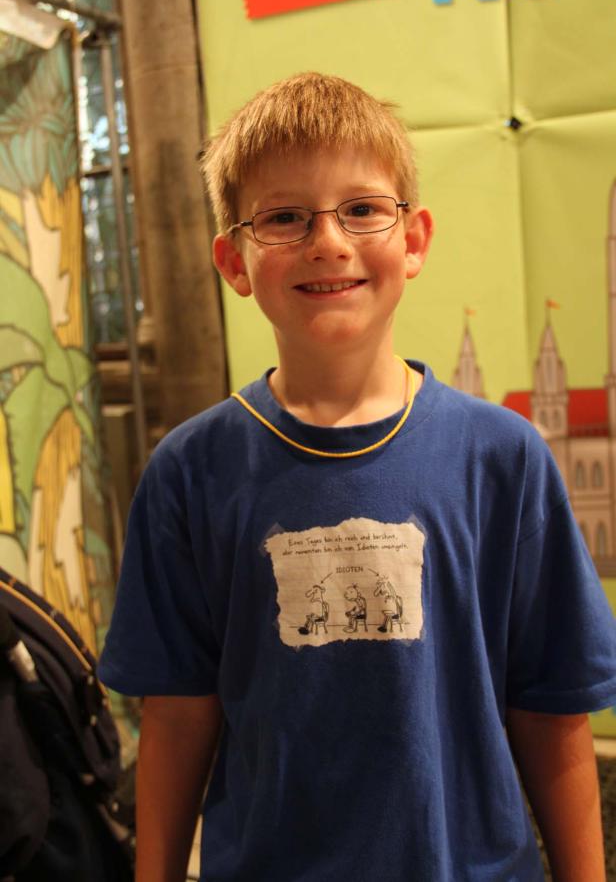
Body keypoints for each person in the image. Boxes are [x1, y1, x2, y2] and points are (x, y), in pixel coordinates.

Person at [98, 72, 616, 882]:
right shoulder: (188, 474)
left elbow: (552, 714)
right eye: (285, 217)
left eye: (363, 209)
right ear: (234, 260)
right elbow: (176, 718)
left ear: (414, 240)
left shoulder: (503, 458)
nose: (328, 242)